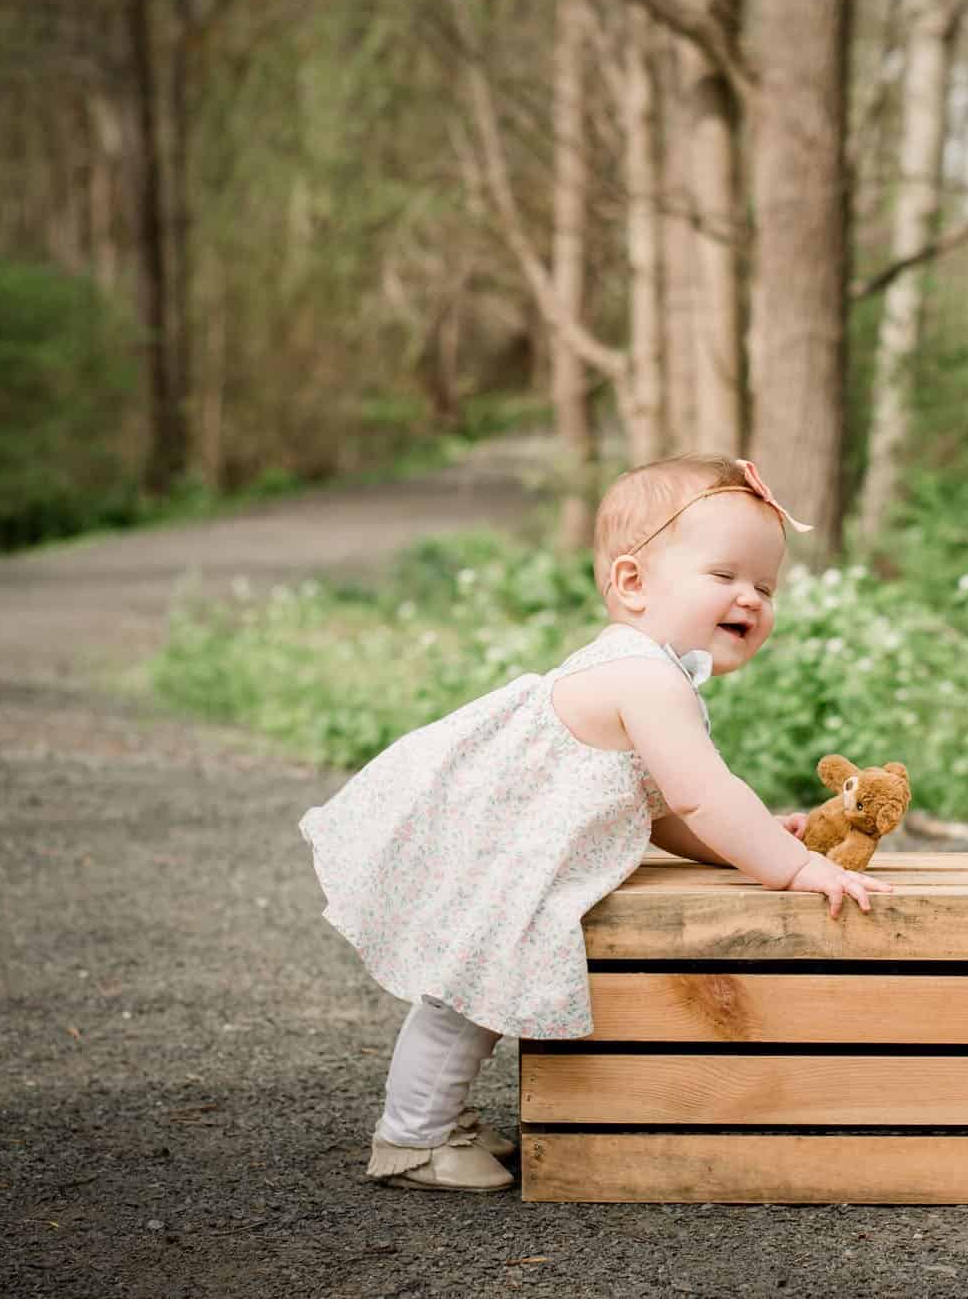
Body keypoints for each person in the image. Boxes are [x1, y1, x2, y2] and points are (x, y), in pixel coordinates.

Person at [298, 454, 891, 1192]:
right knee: (465, 998)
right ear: (633, 582)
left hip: (516, 846)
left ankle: (437, 1116)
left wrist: (756, 839)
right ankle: (412, 1137)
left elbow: (662, 810)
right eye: (725, 576)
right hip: (502, 851)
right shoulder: (643, 675)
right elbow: (707, 795)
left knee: (475, 995)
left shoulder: (651, 671)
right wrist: (793, 865)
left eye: (765, 585)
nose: (751, 598)